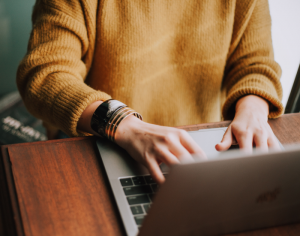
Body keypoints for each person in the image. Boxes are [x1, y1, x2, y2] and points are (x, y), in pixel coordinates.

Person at [16, 0, 284, 184]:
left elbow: (256, 64)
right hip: (100, 140)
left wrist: (254, 108)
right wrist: (122, 124)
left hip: (200, 149)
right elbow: (44, 74)